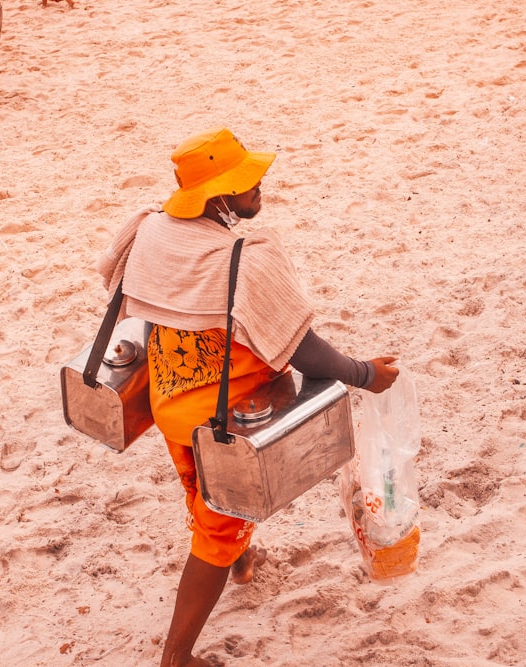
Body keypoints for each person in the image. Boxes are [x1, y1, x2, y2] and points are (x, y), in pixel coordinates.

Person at [97, 127, 400, 667]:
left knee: (207, 495)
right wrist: (363, 373)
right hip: (224, 416)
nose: (260, 183)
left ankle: (239, 560)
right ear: (217, 197)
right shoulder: (242, 256)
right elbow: (299, 346)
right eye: (246, 180)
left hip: (171, 402)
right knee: (217, 523)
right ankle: (177, 656)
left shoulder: (154, 233)